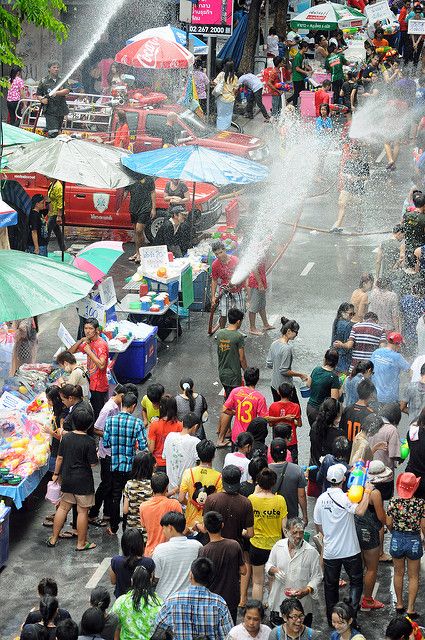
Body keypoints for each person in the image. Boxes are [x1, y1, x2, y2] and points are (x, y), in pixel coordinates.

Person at [313, 463, 375, 626]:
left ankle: (331, 619)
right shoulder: (345, 498)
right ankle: (350, 617)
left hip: (331, 552)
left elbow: (318, 526)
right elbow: (360, 511)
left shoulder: (320, 500)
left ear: (327, 479)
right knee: (356, 582)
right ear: (344, 480)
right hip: (350, 550)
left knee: (330, 587)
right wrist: (367, 491)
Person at [48, 406, 98, 551]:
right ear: (89, 425)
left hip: (67, 478)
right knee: (82, 511)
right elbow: (93, 463)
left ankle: (53, 538)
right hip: (83, 481)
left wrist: (56, 474)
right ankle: (81, 543)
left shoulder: (66, 438)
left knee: (63, 508)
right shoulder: (89, 441)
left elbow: (59, 458)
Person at [152, 557, 233, 640]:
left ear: (191, 575)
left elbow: (157, 629)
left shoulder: (172, 601)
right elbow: (228, 636)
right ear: (211, 578)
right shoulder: (219, 604)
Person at [103, 392, 148, 536]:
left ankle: (114, 526)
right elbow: (143, 446)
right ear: (133, 406)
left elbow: (106, 443)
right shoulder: (137, 423)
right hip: (130, 467)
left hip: (115, 465)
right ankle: (128, 527)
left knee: (116, 496)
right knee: (129, 496)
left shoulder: (110, 421)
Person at [266, 518, 322, 627]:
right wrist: (274, 570)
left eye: (301, 532)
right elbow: (268, 565)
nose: (298, 536)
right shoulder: (278, 546)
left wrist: (307, 589)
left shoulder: (311, 552)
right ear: (286, 532)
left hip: (302, 607)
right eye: (294, 532)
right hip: (279, 603)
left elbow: (317, 576)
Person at [88, 384, 127, 526]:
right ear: (121, 395)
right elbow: (96, 429)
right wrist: (112, 435)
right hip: (106, 453)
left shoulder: (117, 407)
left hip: (112, 451)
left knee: (111, 485)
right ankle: (92, 513)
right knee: (106, 484)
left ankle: (108, 514)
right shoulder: (108, 409)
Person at [387, 472, 425, 617]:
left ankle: (399, 604)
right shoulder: (420, 503)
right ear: (414, 487)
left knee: (398, 572)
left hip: (397, 538)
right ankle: (410, 608)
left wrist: (394, 532)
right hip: (414, 540)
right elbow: (423, 525)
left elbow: (389, 523)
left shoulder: (393, 502)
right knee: (413, 576)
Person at [199, 510, 246, 623]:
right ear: (222, 525)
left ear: (204, 528)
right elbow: (244, 571)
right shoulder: (234, 545)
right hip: (231, 597)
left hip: (211, 599)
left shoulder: (204, 550)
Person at [249, 467, 288, 600]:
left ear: (258, 483)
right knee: (273, 580)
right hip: (275, 547)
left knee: (257, 582)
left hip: (256, 545)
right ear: (273, 483)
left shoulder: (252, 499)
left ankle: (256, 610)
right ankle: (273, 611)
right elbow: (285, 527)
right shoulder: (280, 500)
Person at [152, 511, 202, 600]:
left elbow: (156, 576)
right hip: (189, 598)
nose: (163, 532)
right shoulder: (197, 545)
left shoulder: (160, 549)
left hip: (165, 598)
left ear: (170, 528)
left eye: (163, 528)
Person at [355, 477, 387, 611]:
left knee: (359, 565)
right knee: (372, 568)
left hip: (356, 527)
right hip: (369, 531)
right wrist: (388, 524)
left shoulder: (356, 486)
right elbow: (380, 516)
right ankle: (367, 599)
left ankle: (355, 596)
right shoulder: (375, 493)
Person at [179, 439, 223, 532]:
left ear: (198, 455)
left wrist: (191, 503)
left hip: (190, 522)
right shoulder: (219, 477)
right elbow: (218, 504)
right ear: (214, 455)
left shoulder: (188, 472)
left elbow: (181, 498)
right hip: (208, 524)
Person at [69, 318, 109, 420]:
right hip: (91, 384)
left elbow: (101, 365)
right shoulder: (88, 342)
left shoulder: (101, 345)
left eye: (90, 328)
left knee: (98, 414)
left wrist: (89, 351)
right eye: (86, 328)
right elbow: (69, 353)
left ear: (97, 330)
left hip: (99, 386)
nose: (87, 331)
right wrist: (81, 340)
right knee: (92, 411)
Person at [217, 367, 267, 446]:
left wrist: (236, 413)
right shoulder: (260, 398)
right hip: (250, 436)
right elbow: (263, 419)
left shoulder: (235, 391)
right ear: (257, 380)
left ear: (244, 378)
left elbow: (224, 409)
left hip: (236, 435)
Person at [111, 565, 162, 640]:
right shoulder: (158, 602)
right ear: (149, 582)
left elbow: (113, 623)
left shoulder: (121, 601)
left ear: (132, 581)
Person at [139, 472, 183, 556]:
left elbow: (143, 525)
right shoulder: (174, 504)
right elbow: (181, 528)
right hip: (170, 553)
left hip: (150, 552)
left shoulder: (143, 506)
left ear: (151, 487)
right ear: (166, 487)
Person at [267, 317, 308, 403]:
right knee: (295, 413)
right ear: (289, 331)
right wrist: (301, 375)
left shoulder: (274, 344)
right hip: (285, 389)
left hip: (274, 385)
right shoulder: (287, 349)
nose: (297, 335)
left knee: (279, 412)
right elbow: (284, 371)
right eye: (296, 332)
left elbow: (269, 364)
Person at [332, 144, 370, 233]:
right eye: (354, 153)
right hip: (347, 187)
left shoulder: (364, 164)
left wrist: (357, 178)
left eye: (357, 154)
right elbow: (343, 173)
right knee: (342, 204)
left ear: (359, 154)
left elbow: (367, 177)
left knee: (358, 208)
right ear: (351, 154)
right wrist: (348, 176)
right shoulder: (348, 163)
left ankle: (360, 224)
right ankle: (338, 226)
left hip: (358, 189)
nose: (356, 155)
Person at [269, 438, 307, 522]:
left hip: (271, 516)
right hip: (291, 516)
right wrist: (305, 515)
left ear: (271, 453)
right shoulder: (297, 470)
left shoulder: (266, 470)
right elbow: (301, 496)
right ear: (286, 453)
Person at [110, 527, 154, 598]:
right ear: (141, 544)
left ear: (123, 544)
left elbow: (113, 581)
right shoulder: (148, 562)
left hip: (122, 601)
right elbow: (150, 582)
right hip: (142, 600)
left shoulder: (115, 561)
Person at [211, 241, 246, 330]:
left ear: (225, 250)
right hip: (224, 291)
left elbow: (243, 275)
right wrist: (213, 297)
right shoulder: (215, 264)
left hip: (238, 290)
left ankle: (236, 331)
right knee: (223, 313)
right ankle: (222, 332)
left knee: (240, 313)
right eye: (216, 254)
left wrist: (244, 288)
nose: (219, 256)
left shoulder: (235, 260)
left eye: (220, 252)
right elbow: (214, 280)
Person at [162, 412, 200, 492]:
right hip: (187, 490)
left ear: (182, 423)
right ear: (196, 426)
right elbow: (200, 464)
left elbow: (164, 456)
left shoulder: (170, 436)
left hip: (170, 488)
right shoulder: (196, 442)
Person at [370, 332, 410, 403]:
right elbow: (409, 370)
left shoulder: (376, 352)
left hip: (374, 395)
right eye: (400, 344)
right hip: (390, 397)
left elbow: (369, 368)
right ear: (397, 344)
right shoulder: (397, 357)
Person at [216, 307, 247, 399]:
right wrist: (247, 371)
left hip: (222, 372)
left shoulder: (220, 333)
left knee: (228, 396)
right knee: (233, 401)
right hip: (234, 375)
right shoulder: (238, 336)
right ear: (238, 321)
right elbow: (242, 358)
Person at [125, 173, 156, 263]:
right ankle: (137, 252)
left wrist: (153, 208)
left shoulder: (148, 178)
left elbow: (153, 192)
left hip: (145, 207)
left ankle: (141, 253)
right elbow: (125, 192)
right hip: (134, 207)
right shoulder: (130, 178)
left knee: (139, 230)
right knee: (136, 232)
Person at [267, 383, 302, 463]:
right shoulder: (296, 406)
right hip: (291, 441)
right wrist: (291, 420)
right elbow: (299, 424)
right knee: (293, 463)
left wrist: (279, 419)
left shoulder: (273, 406)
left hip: (277, 440)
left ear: (278, 392)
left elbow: (271, 424)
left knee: (277, 462)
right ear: (291, 393)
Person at [122, 451, 155, 534]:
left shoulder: (129, 484)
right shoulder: (153, 484)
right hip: (148, 528)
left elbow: (125, 510)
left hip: (132, 530)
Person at [306, 349, 341, 427]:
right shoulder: (334, 377)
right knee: (322, 435)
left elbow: (308, 384)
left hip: (310, 408)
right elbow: (334, 399)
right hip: (322, 412)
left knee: (313, 431)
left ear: (325, 359)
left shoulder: (316, 369)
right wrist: (341, 389)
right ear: (337, 362)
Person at [148, 395, 182, 471]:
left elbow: (151, 449)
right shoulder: (180, 426)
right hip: (173, 464)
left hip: (157, 463)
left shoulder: (154, 425)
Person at [36, 61, 70, 137]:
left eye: (58, 67)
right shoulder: (43, 81)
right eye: (54, 67)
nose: (56, 69)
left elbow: (67, 90)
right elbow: (38, 94)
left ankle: (47, 130)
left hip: (61, 109)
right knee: (53, 132)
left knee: (57, 130)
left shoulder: (62, 79)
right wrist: (42, 99)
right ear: (49, 69)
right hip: (50, 109)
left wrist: (56, 93)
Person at [339, 378, 376, 447]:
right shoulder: (370, 414)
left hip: (346, 448)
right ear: (371, 395)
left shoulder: (347, 409)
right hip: (360, 451)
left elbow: (341, 429)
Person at [247, 260, 274, 335]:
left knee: (262, 305)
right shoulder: (257, 252)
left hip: (261, 280)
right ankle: (252, 328)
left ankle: (266, 324)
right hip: (255, 282)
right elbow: (254, 269)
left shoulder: (263, 252)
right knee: (254, 307)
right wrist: (260, 283)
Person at [213, 60, 238, 131]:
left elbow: (215, 83)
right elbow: (235, 89)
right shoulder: (234, 77)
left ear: (225, 67)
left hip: (221, 98)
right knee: (228, 116)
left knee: (220, 115)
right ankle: (226, 131)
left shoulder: (221, 74)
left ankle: (219, 130)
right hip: (230, 98)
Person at [331, 303, 355, 374]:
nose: (352, 316)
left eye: (353, 314)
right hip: (344, 358)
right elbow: (349, 345)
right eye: (350, 314)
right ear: (342, 313)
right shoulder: (348, 325)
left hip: (334, 355)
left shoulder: (336, 321)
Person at [45, 177, 66, 251]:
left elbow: (61, 201)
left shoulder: (58, 186)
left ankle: (43, 249)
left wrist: (59, 216)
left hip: (55, 213)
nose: (46, 177)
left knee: (47, 232)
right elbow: (49, 198)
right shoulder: (52, 184)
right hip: (52, 212)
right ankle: (63, 248)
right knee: (58, 232)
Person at [291, 41, 311, 107]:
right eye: (307, 47)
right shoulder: (298, 56)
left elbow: (303, 65)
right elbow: (297, 68)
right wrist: (306, 72)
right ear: (304, 48)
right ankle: (294, 106)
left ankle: (292, 103)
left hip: (301, 77)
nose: (308, 49)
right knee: (297, 93)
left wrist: (310, 69)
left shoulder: (303, 55)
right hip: (297, 77)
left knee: (301, 92)